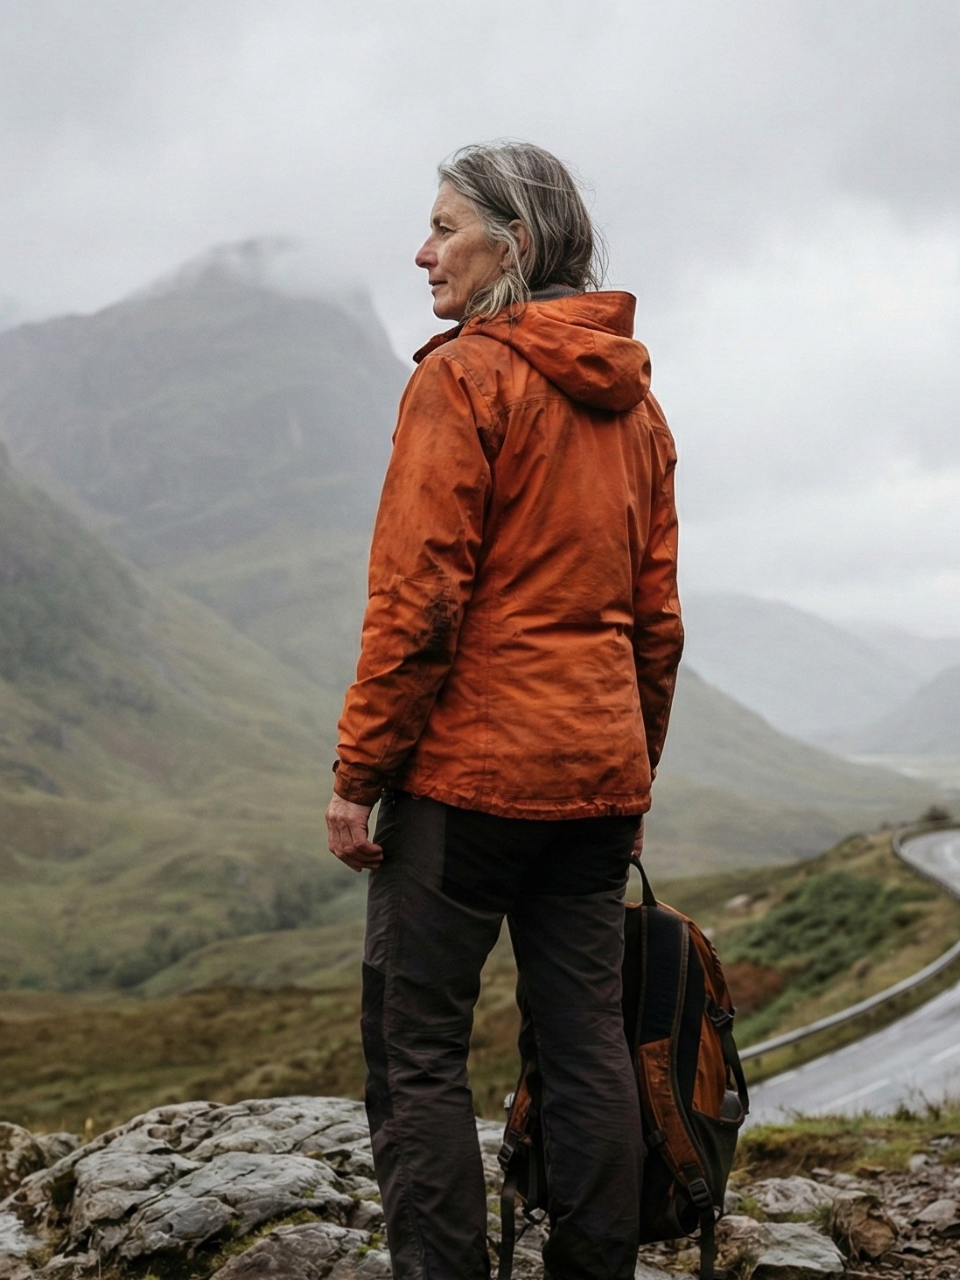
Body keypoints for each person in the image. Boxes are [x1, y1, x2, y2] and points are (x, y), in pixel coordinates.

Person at [326, 141, 682, 1280]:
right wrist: (631, 778)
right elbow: (657, 625)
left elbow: (419, 601)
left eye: (444, 228)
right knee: (587, 1044)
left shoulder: (462, 378)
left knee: (417, 1046)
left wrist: (357, 772)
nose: (422, 250)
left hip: (465, 784)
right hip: (594, 781)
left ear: (512, 246)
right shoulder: (637, 408)